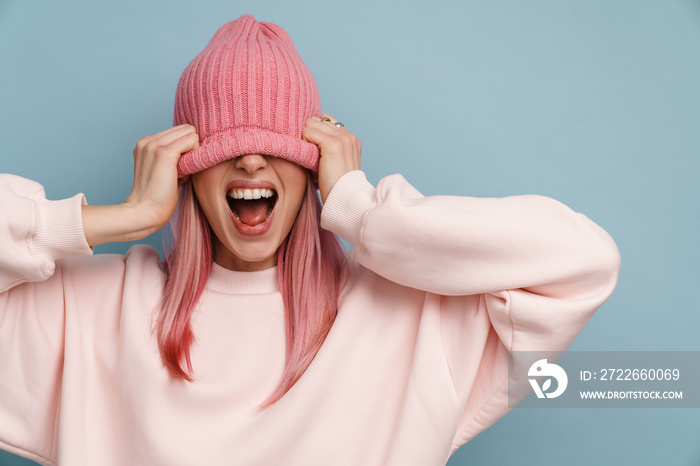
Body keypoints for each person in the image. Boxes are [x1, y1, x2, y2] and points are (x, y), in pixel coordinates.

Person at [0, 14, 620, 466]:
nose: (249, 162)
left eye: (275, 146)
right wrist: (116, 218)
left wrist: (364, 210)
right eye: (225, 145)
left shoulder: (409, 317)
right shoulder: (87, 310)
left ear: (312, 169)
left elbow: (584, 261)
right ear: (188, 168)